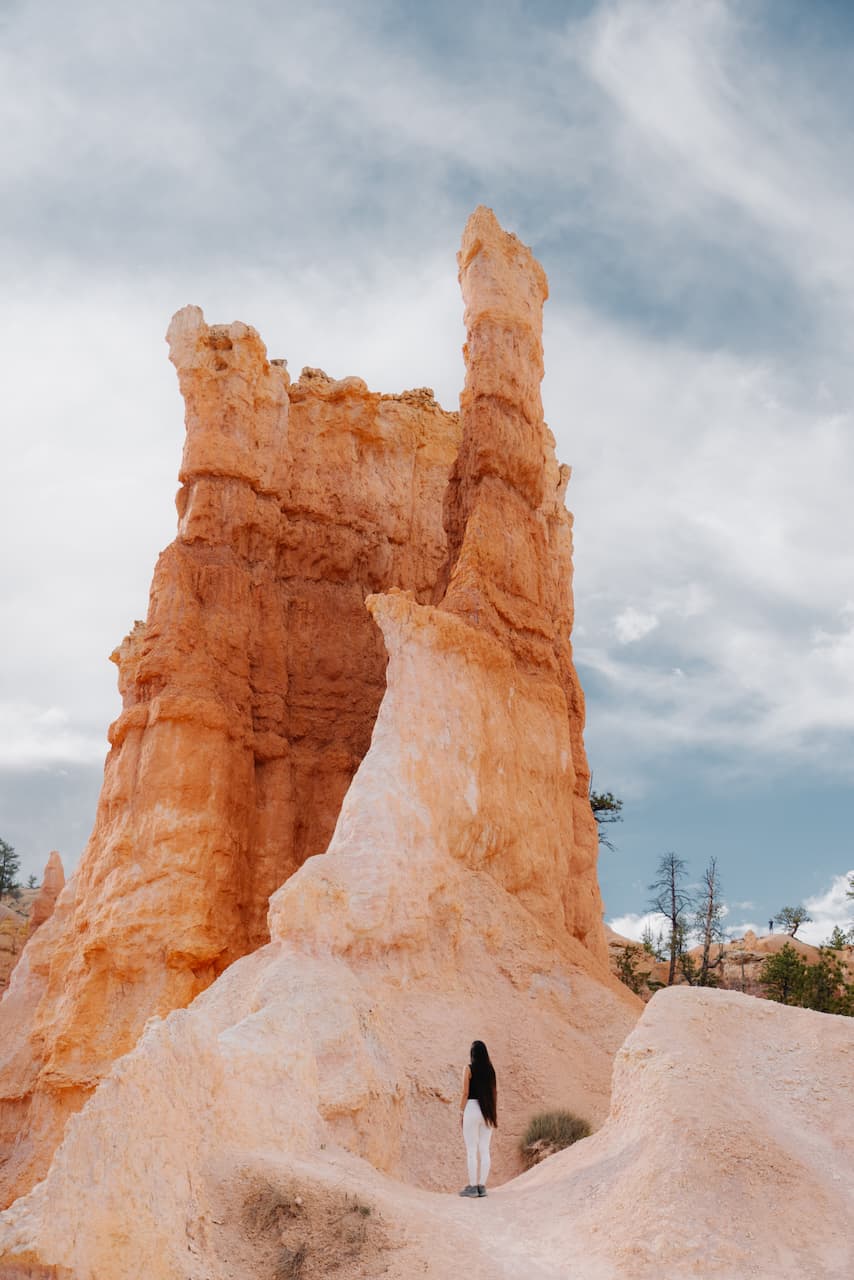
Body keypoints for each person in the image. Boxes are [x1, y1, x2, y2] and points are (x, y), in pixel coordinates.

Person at [458, 1040, 497, 1198]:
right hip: (487, 1110)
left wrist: (461, 1112)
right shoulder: (491, 1070)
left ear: (472, 1054)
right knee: (484, 1149)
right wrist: (492, 1112)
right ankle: (482, 1186)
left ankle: (472, 1187)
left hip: (472, 1109)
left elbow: (465, 1093)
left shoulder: (468, 1069)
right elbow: (494, 1092)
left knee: (471, 1149)